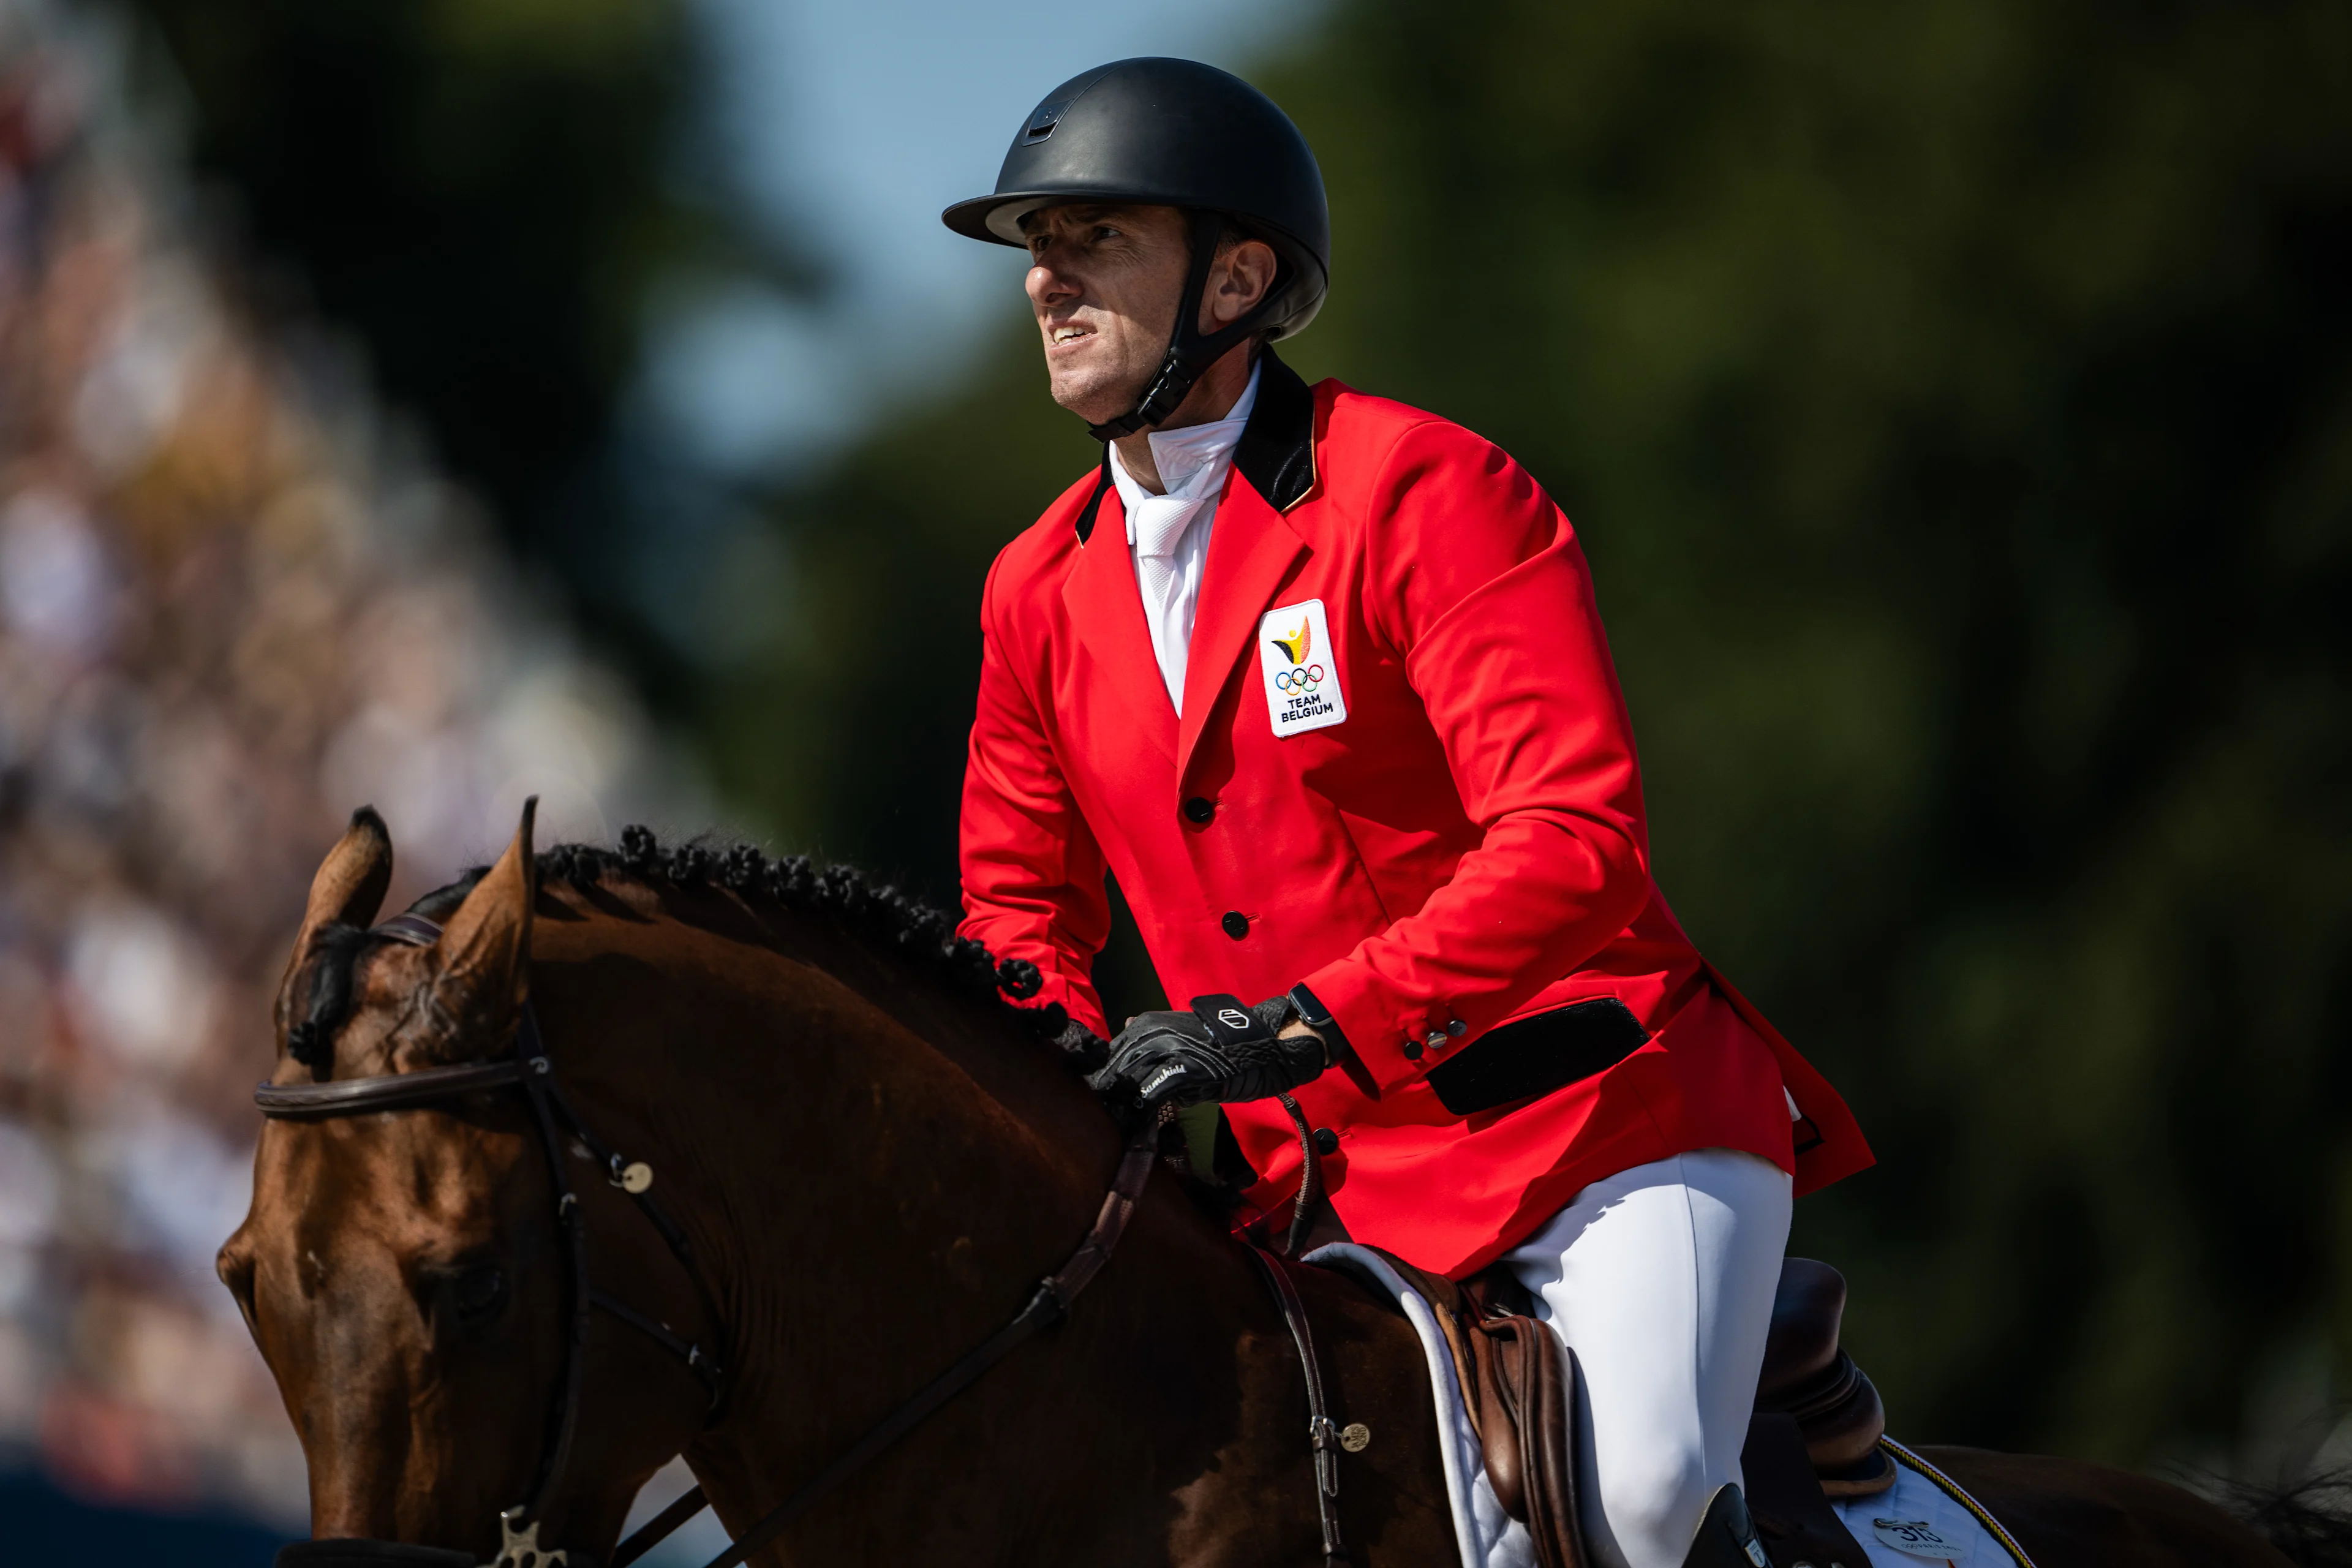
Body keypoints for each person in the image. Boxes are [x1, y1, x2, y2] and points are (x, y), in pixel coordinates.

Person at [945, 57, 1871, 1568]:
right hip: (1308, 1196)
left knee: (1640, 1504)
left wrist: (1303, 1024)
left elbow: (1575, 842)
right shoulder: (1030, 590)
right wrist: (1060, 1080)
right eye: (1036, 245)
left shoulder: (1421, 489)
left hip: (1588, 1133)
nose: (1045, 279)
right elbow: (1018, 916)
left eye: (1093, 237)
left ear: (1238, 275)